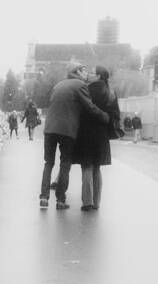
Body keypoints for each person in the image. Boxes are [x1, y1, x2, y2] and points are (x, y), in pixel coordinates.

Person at [39, 62, 109, 210]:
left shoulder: (58, 85)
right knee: (65, 164)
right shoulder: (80, 85)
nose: (87, 74)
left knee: (48, 163)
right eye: (84, 71)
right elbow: (89, 106)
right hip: (67, 130)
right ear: (76, 72)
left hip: (50, 129)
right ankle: (60, 200)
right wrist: (104, 116)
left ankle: (44, 197)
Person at [72, 65, 120, 211]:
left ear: (98, 76)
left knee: (87, 166)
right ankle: (97, 202)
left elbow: (78, 109)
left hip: (85, 132)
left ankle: (87, 202)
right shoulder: (111, 92)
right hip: (101, 134)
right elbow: (116, 115)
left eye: (92, 72)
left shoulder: (85, 89)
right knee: (97, 167)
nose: (89, 74)